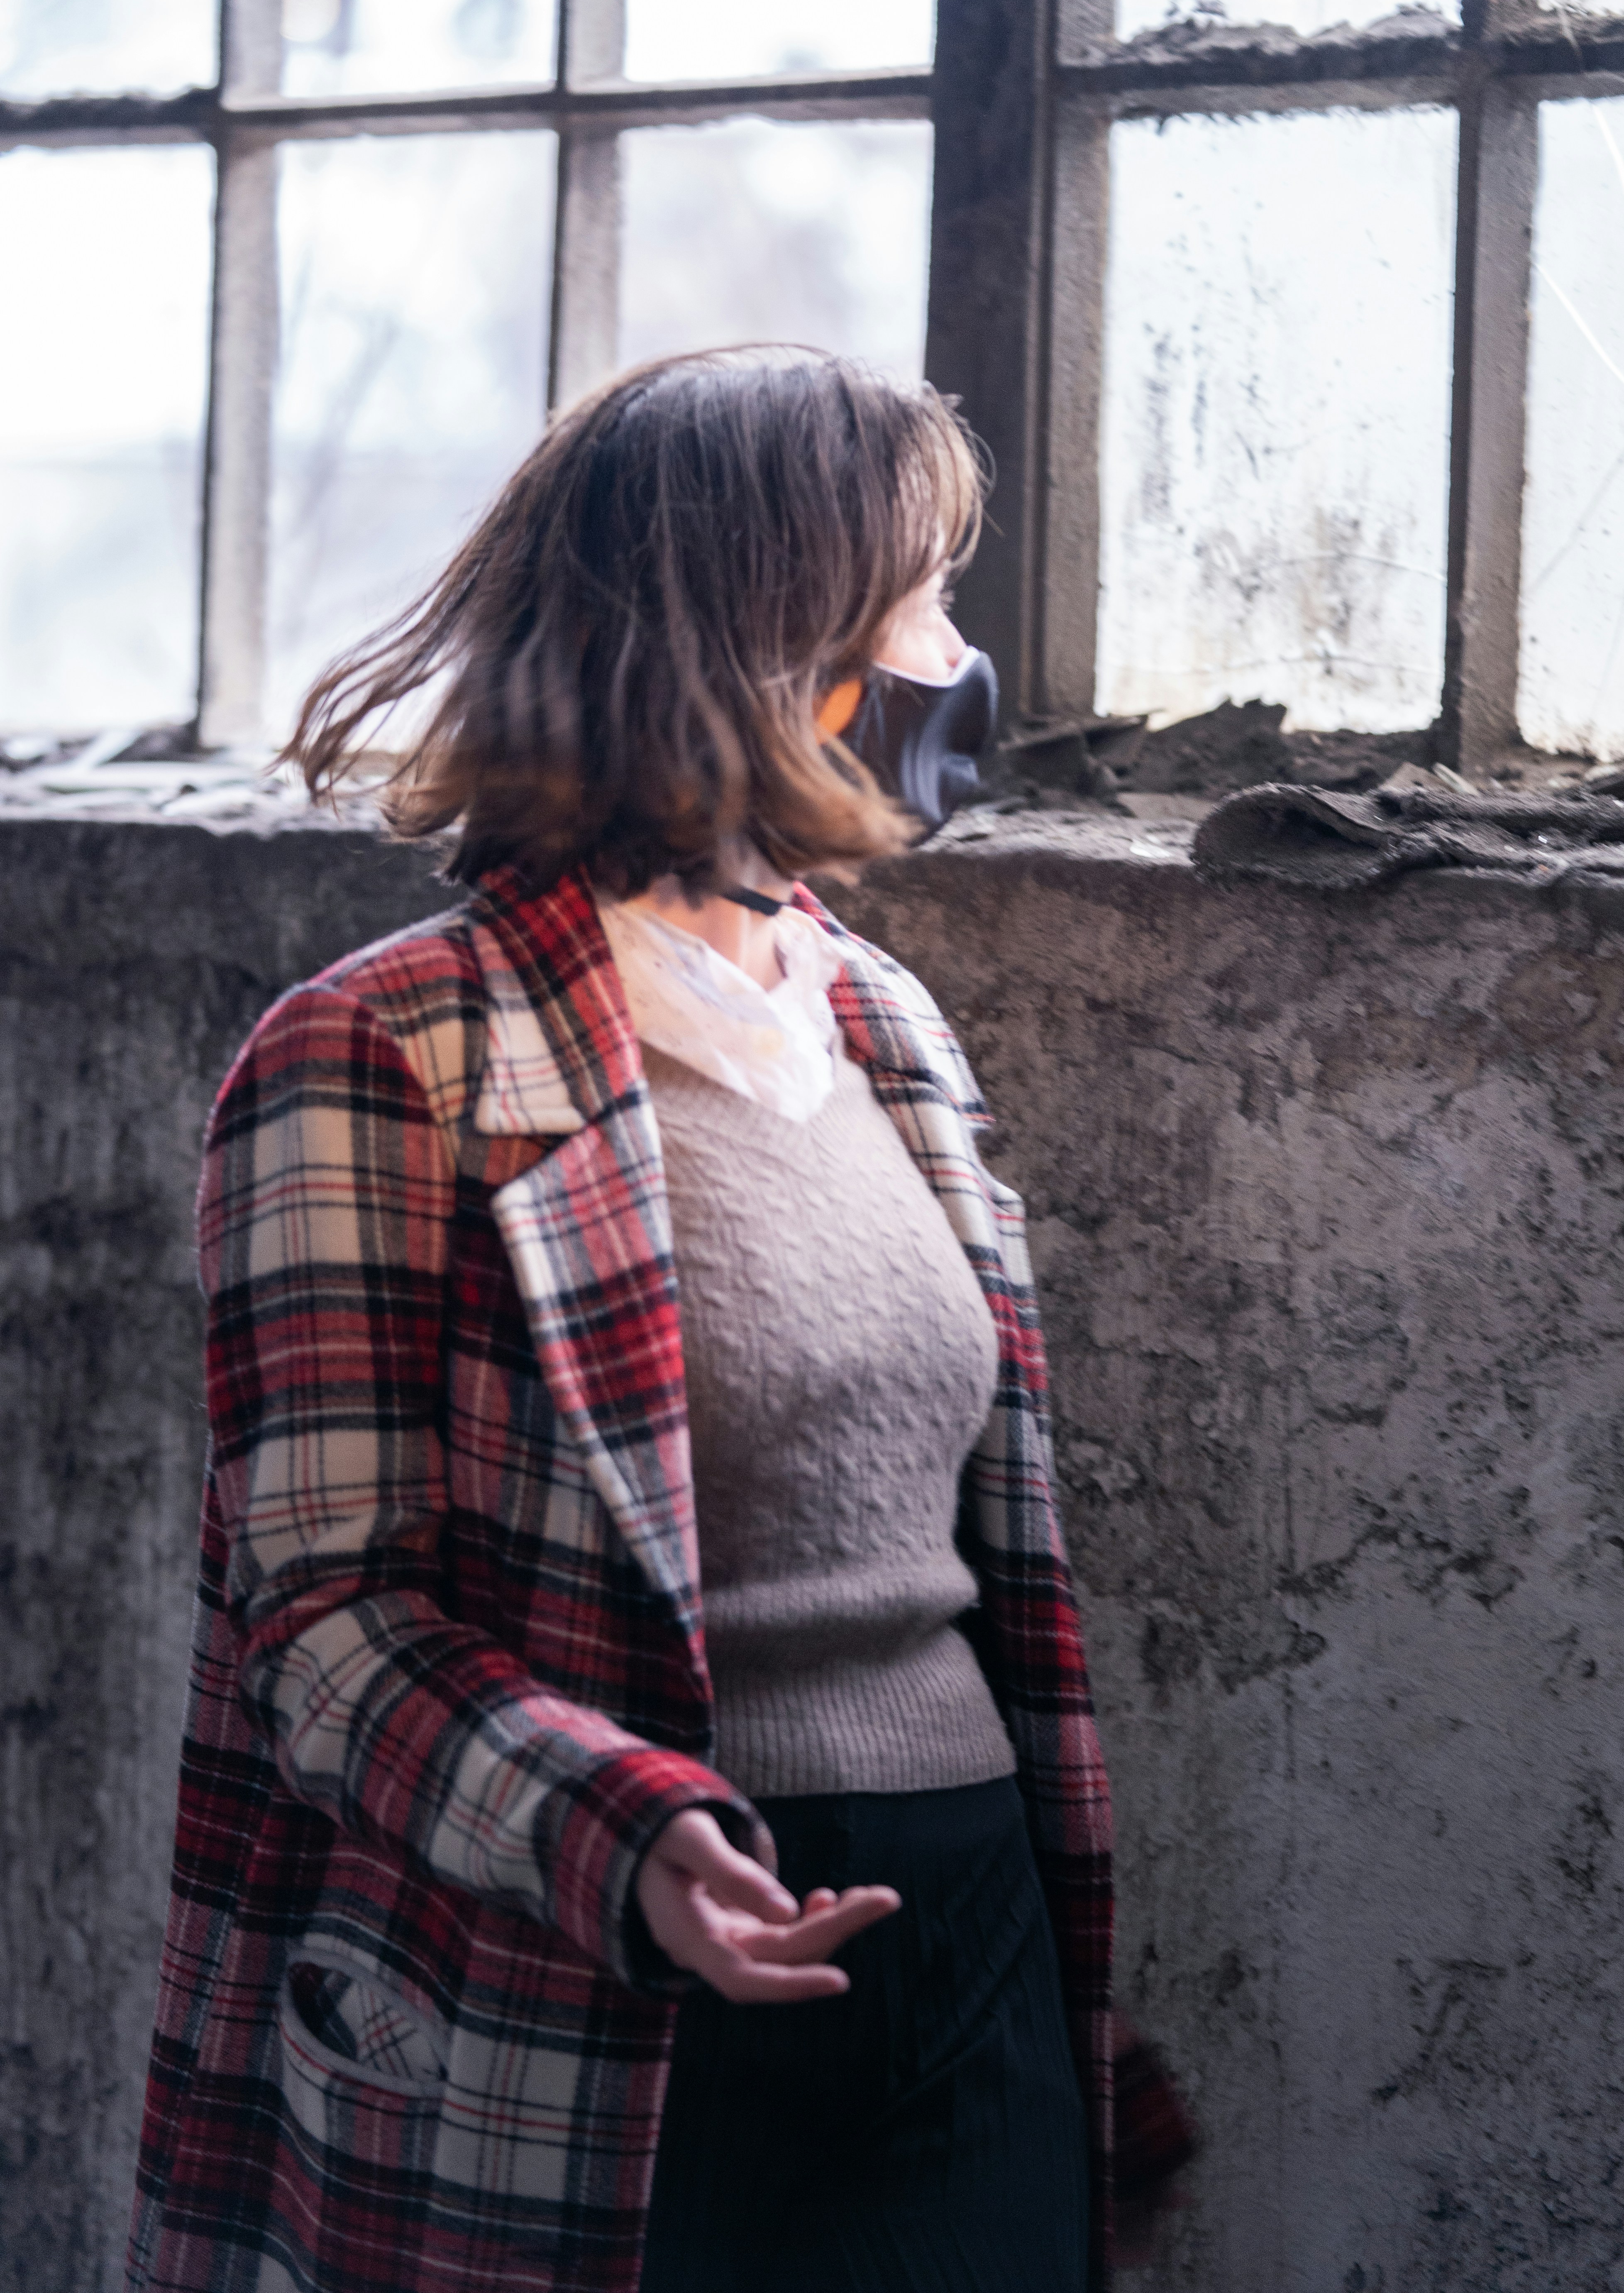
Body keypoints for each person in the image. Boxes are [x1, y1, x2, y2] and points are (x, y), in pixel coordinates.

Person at [127, 349, 1150, 2293]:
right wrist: (626, 1835)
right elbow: (321, 1622)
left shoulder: (877, 1019)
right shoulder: (372, 1049)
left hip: (968, 1946)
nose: (958, 656)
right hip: (578, 1973)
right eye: (923, 599)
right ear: (782, 642)